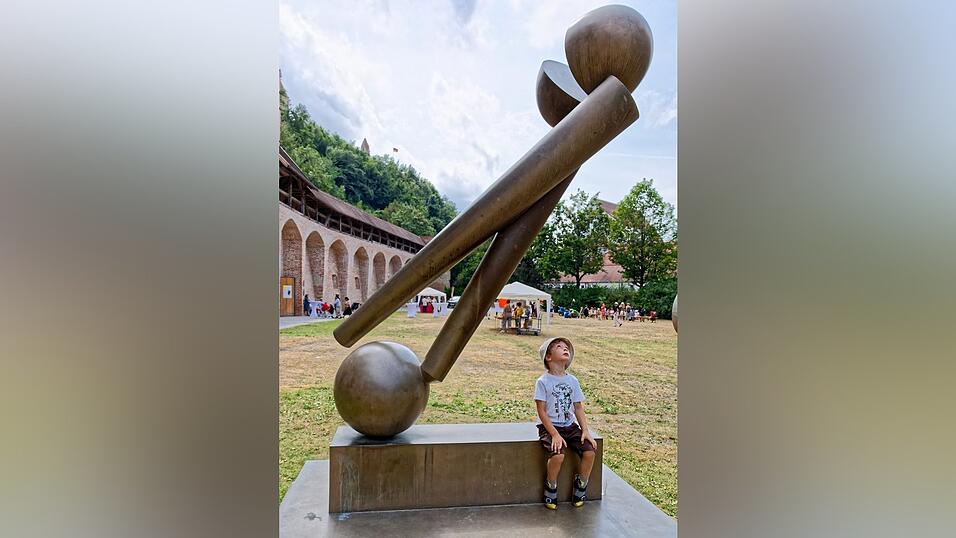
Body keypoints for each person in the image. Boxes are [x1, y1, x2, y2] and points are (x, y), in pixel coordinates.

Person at [534, 337, 596, 510]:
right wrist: (554, 434)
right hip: (550, 427)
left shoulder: (572, 381)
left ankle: (581, 483)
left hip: (570, 426)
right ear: (548, 357)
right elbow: (541, 411)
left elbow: (578, 407)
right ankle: (551, 485)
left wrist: (585, 430)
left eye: (566, 347)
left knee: (590, 451)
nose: (565, 348)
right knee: (558, 455)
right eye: (559, 347)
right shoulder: (543, 382)